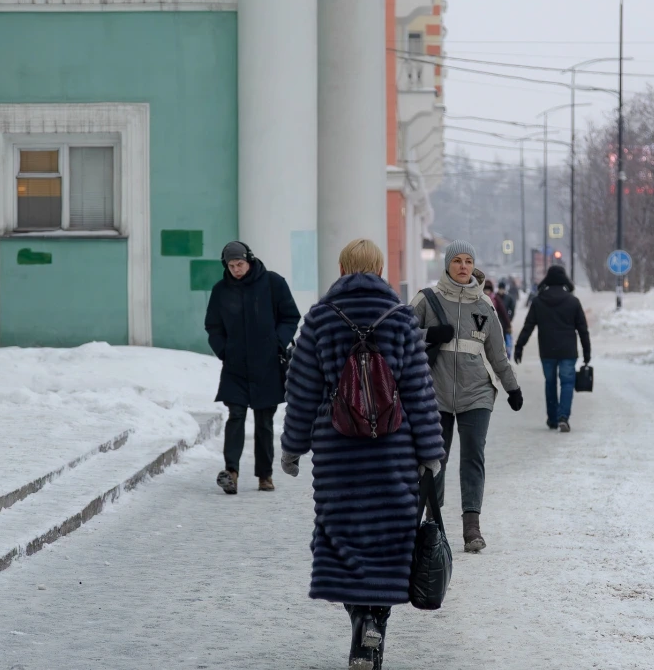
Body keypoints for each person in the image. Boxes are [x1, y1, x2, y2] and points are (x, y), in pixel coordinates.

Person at [279, 239, 445, 670]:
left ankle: (360, 621)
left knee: (344, 539)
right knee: (390, 543)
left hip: (339, 456)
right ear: (378, 268)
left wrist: (293, 447)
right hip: (394, 453)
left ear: (342, 268)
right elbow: (419, 393)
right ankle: (374, 626)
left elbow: (301, 392)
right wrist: (429, 451)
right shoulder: (401, 318)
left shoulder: (319, 319)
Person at [410, 240, 522, 554]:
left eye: (468, 261)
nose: (462, 266)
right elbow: (398, 333)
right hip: (434, 393)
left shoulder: (484, 306)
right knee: (434, 460)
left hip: (477, 394)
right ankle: (433, 522)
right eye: (457, 261)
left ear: (474, 266)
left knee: (473, 457)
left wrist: (512, 387)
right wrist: (428, 335)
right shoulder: (426, 299)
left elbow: (497, 355)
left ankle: (472, 526)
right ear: (447, 265)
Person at [205, 241, 300, 495]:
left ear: (250, 260)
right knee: (235, 415)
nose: (236, 270)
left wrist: (277, 343)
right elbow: (213, 327)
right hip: (235, 365)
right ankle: (231, 472)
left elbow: (290, 316)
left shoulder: (272, 283)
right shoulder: (221, 291)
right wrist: (224, 350)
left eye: (240, 264)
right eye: (232, 265)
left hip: (266, 365)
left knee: (264, 421)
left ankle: (265, 475)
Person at [513, 265, 591, 433]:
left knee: (550, 383)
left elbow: (528, 326)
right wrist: (587, 351)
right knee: (567, 383)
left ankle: (553, 419)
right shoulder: (573, 301)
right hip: (568, 351)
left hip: (547, 350)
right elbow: (582, 329)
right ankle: (564, 417)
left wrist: (519, 346)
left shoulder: (539, 301)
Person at [485, 280, 513, 359]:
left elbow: (504, 312)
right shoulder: (480, 298)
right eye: (485, 289)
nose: (487, 291)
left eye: (488, 290)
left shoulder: (495, 298)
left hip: (497, 325)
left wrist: (508, 324)